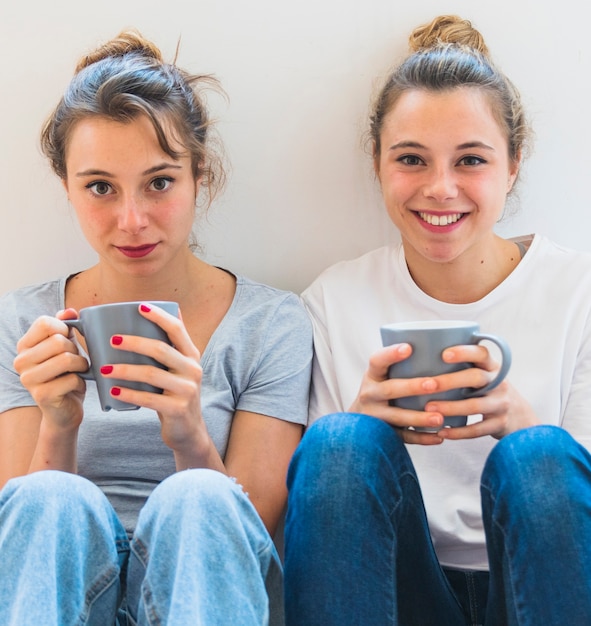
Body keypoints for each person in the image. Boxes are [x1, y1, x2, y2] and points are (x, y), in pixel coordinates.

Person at [284, 14, 591, 626]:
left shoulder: (578, 292)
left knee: (537, 457)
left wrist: (526, 426)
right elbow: (314, 524)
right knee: (340, 443)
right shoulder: (333, 301)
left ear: (513, 165)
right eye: (412, 159)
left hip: (541, 586)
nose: (441, 188)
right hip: (396, 591)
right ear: (377, 164)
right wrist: (363, 428)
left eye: (471, 159)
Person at [0, 30, 312, 626]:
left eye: (160, 182)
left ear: (201, 175)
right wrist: (59, 424)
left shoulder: (270, 323)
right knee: (46, 497)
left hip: (201, 593)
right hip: (67, 597)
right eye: (99, 188)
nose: (132, 219)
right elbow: (20, 542)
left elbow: (256, 531)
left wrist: (189, 433)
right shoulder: (20, 323)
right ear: (66, 187)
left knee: (200, 496)